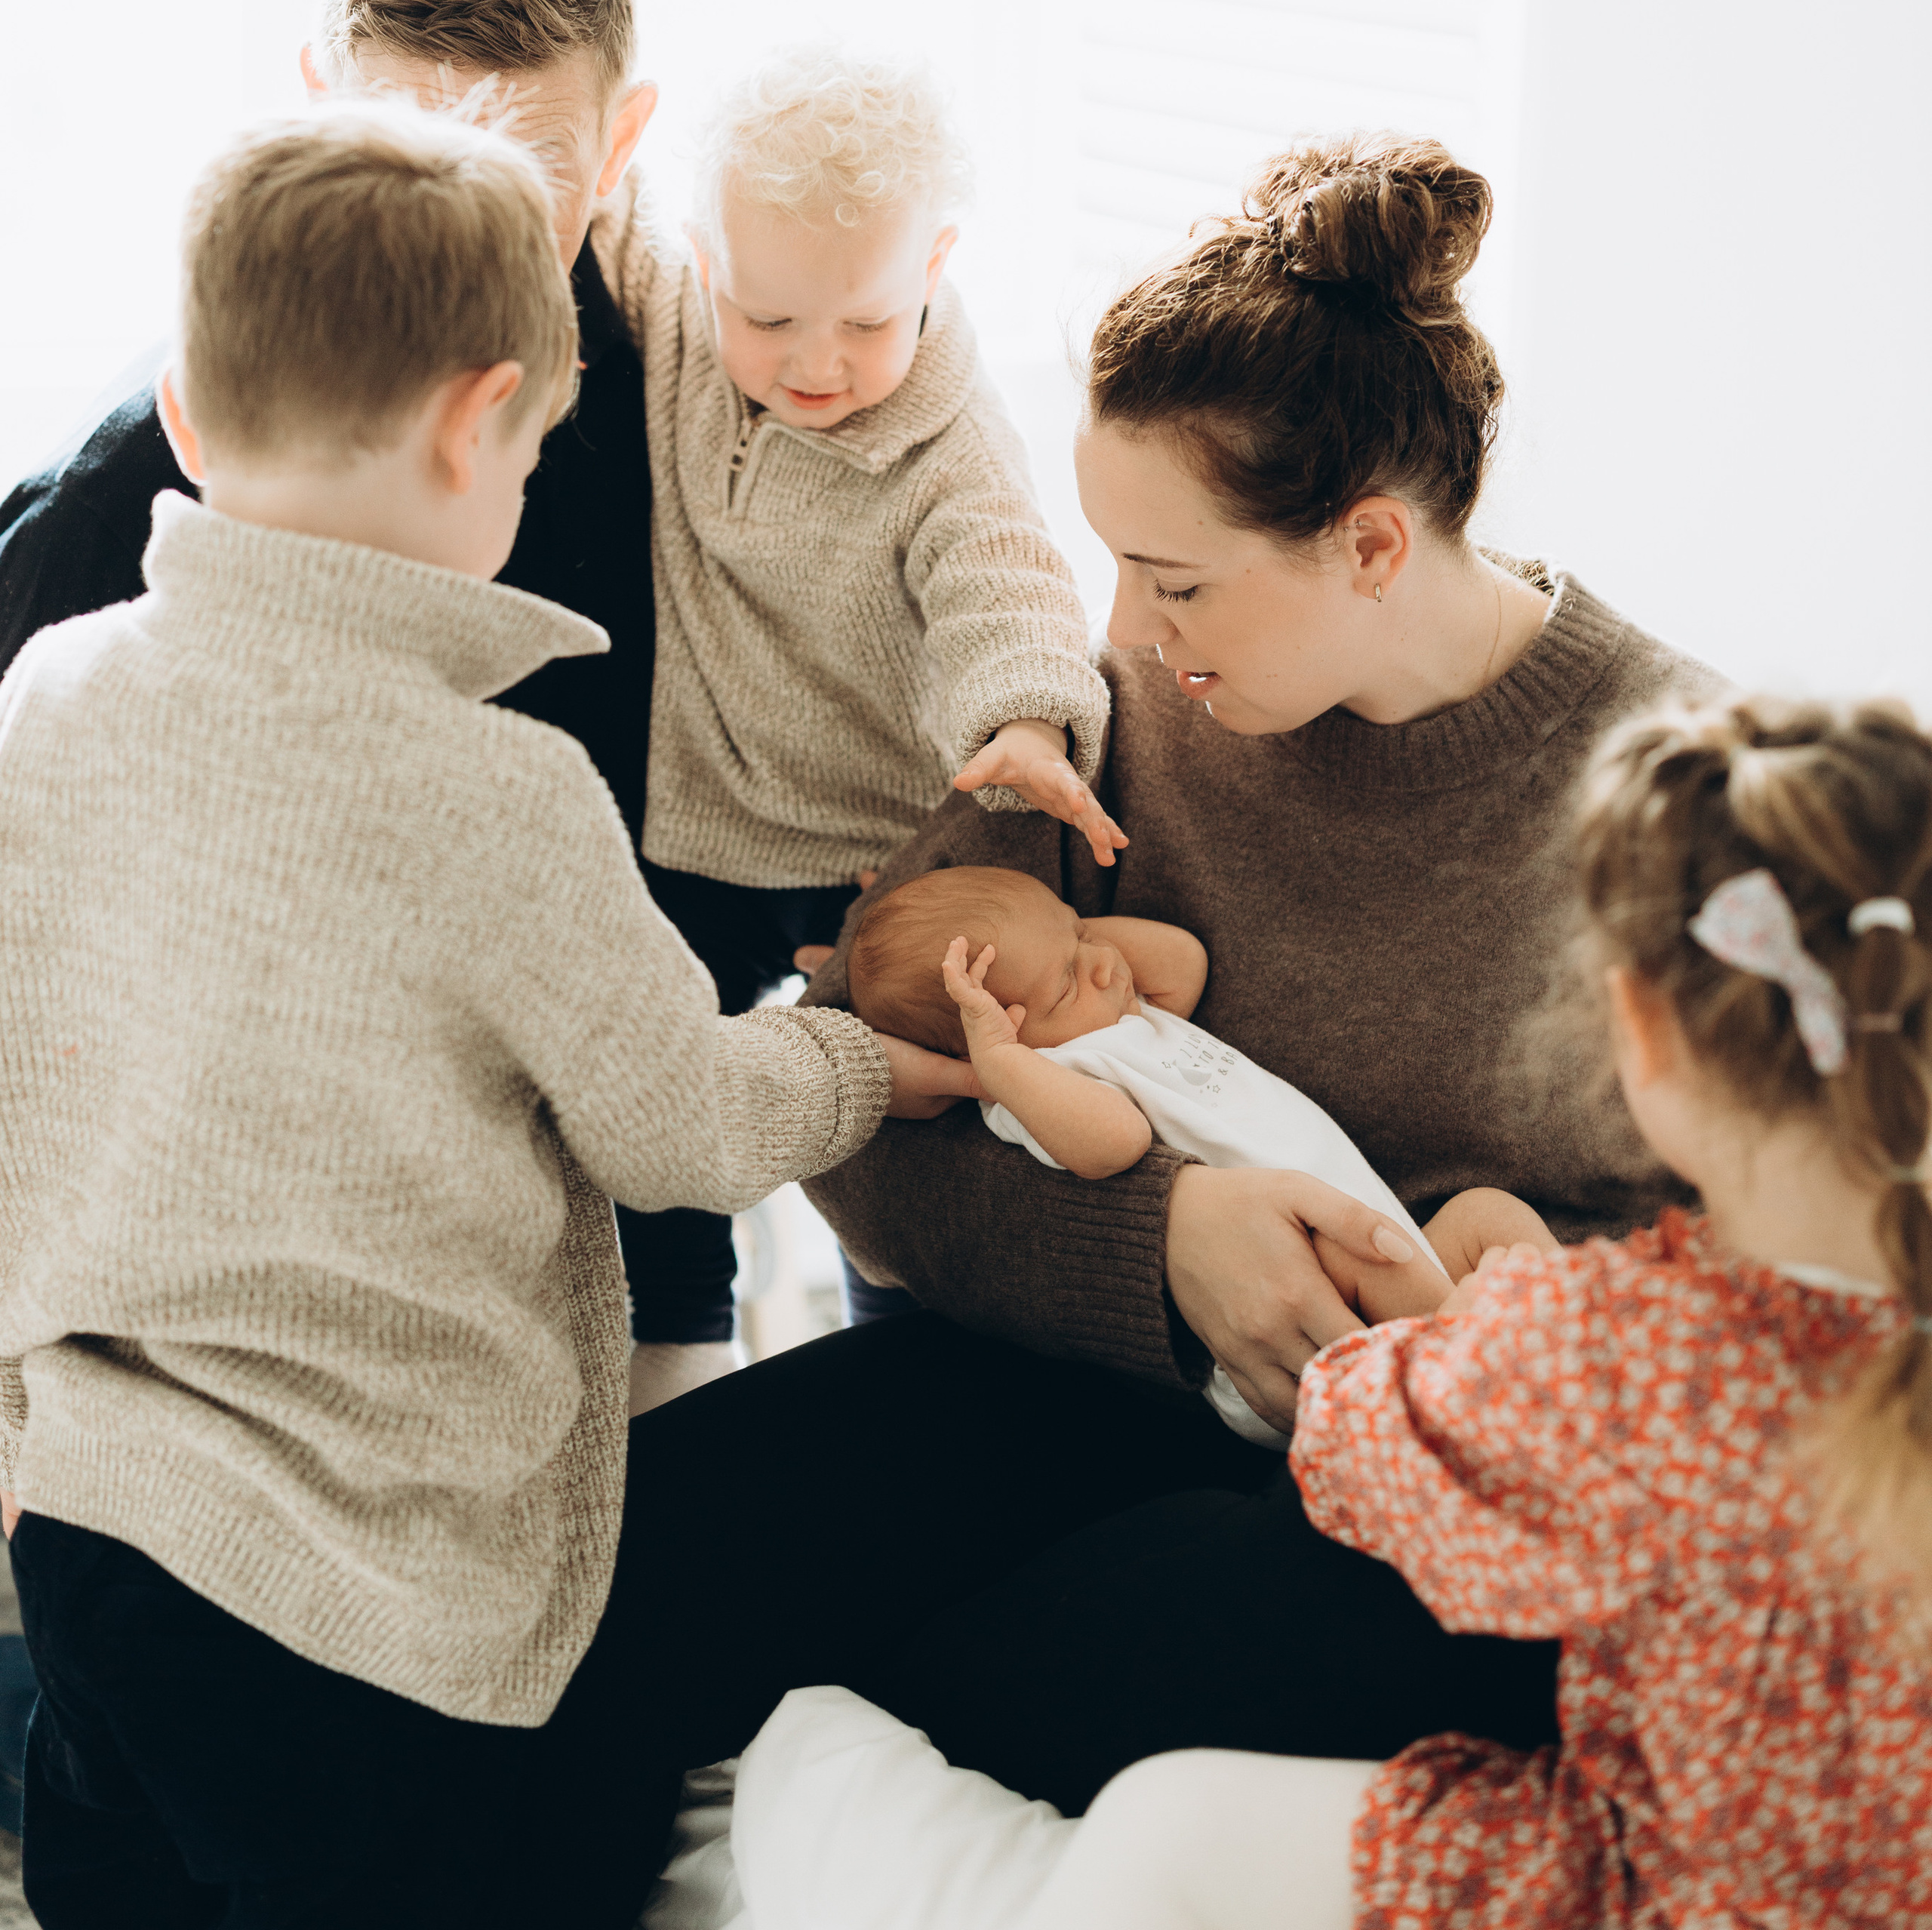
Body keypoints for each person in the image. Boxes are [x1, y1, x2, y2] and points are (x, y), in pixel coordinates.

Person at [613, 131, 1725, 1867]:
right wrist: (1155, 1239)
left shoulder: (1683, 796)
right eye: (1111, 560)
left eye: (1175, 578)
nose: (1117, 621)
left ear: (1367, 544)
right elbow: (853, 1084)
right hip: (1072, 1379)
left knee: (1080, 1647)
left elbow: (1765, 1299)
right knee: (608, 1562)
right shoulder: (1112, 714)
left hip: (1439, 1503)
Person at [0, 100, 940, 1930]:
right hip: (372, 1601)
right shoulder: (496, 792)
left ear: (187, 415)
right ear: (472, 421)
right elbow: (683, 1127)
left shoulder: (50, 687)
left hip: (93, 1520)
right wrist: (855, 1055)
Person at [727, 691, 1932, 1930]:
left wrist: (1465, 1313)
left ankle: (806, 1791)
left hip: (1662, 1885)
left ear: (1641, 1035)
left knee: (1158, 1818)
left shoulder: (1617, 1355)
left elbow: (1361, 1440)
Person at [0, 0, 746, 1408]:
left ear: (622, 144)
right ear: (309, 101)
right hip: (247, 1283)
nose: (450, 224)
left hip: (643, 1185)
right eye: (398, 142)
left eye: (526, 172)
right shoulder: (124, 502)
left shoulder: (721, 377)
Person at [592, 45, 1118, 1336]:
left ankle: (894, 1331)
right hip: (701, 823)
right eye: (768, 321)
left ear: (933, 268)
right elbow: (572, 215)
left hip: (874, 856)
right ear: (708, 265)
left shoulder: (948, 449)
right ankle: (673, 1347)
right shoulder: (668, 312)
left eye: (868, 323)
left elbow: (1008, 587)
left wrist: (1029, 722)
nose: (815, 361)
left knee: (915, 1112)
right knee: (657, 1101)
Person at [848, 865, 1552, 1443]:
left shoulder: (1122, 1012)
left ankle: (1566, 1338)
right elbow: (1114, 1146)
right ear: (997, 1041)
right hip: (1294, 1315)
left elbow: (1185, 961)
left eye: (1080, 931)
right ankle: (1495, 1401)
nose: (1100, 964)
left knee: (1488, 1215)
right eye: (1066, 980)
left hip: (1372, 1240)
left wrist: (1065, 938)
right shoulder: (1042, 1086)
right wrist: (1000, 1063)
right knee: (1375, 1259)